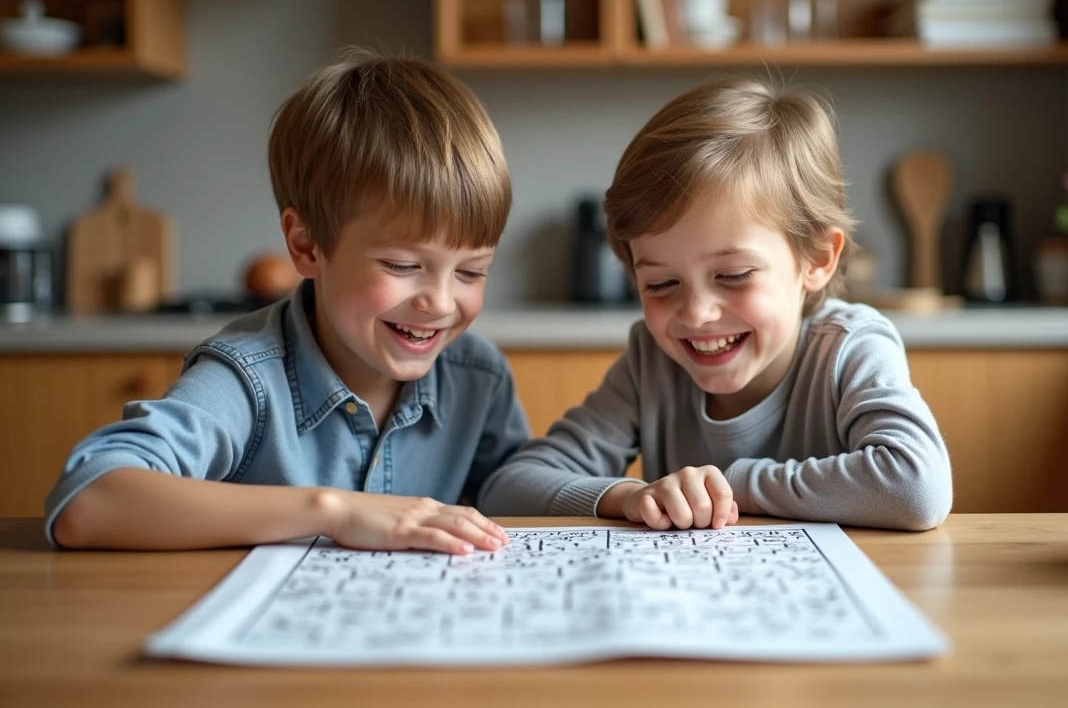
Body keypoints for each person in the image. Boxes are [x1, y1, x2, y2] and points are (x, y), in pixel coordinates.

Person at [46, 54, 527, 554]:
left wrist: (590, 484)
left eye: (471, 272)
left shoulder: (478, 375)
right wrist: (334, 511)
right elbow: (88, 500)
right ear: (306, 245)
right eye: (402, 265)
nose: (441, 303)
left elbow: (513, 484)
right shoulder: (245, 380)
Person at [478, 77, 952, 532]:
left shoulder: (850, 348)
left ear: (817, 259)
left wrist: (729, 485)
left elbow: (916, 487)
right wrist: (628, 496)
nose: (696, 313)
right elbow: (508, 488)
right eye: (661, 283)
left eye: (733, 275)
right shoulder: (652, 364)